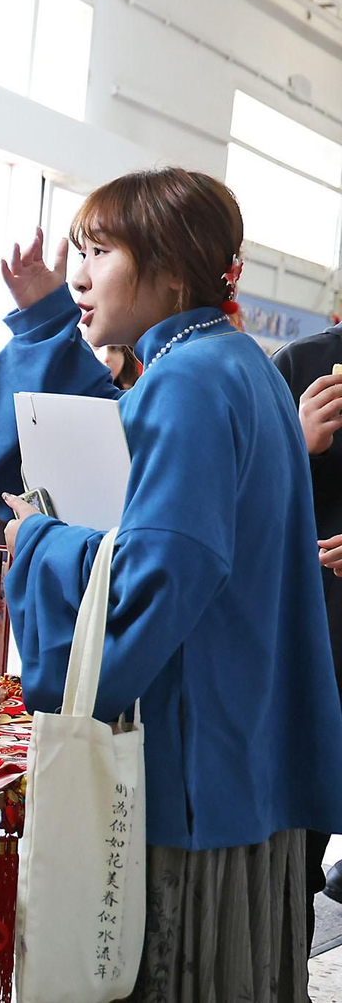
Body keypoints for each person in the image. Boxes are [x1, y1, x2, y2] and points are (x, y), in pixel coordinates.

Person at [0, 168, 342, 1000]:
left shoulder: (188, 381)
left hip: (185, 773)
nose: (81, 271)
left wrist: (39, 540)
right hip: (237, 759)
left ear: (171, 269)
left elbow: (159, 578)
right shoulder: (239, 366)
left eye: (99, 250)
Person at [271, 324, 342, 936]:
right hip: (313, 635)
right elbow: (244, 495)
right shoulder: (302, 363)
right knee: (293, 855)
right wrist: (295, 443)